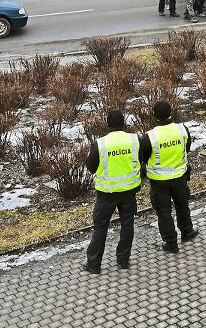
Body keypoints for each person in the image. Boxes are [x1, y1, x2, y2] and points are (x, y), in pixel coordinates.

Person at [83, 109, 140, 273]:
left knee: (100, 227)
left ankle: (93, 264)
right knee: (127, 225)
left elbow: (91, 167)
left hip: (106, 194)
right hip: (129, 191)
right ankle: (123, 260)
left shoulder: (100, 144)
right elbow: (141, 158)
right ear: (124, 123)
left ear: (108, 125)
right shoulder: (134, 139)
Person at [140, 101, 197, 254]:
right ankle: (187, 232)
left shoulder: (149, 137)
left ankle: (171, 242)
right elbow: (187, 148)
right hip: (180, 177)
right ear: (171, 113)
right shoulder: (182, 129)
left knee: (164, 212)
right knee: (182, 205)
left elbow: (143, 158)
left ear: (155, 116)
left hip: (159, 182)